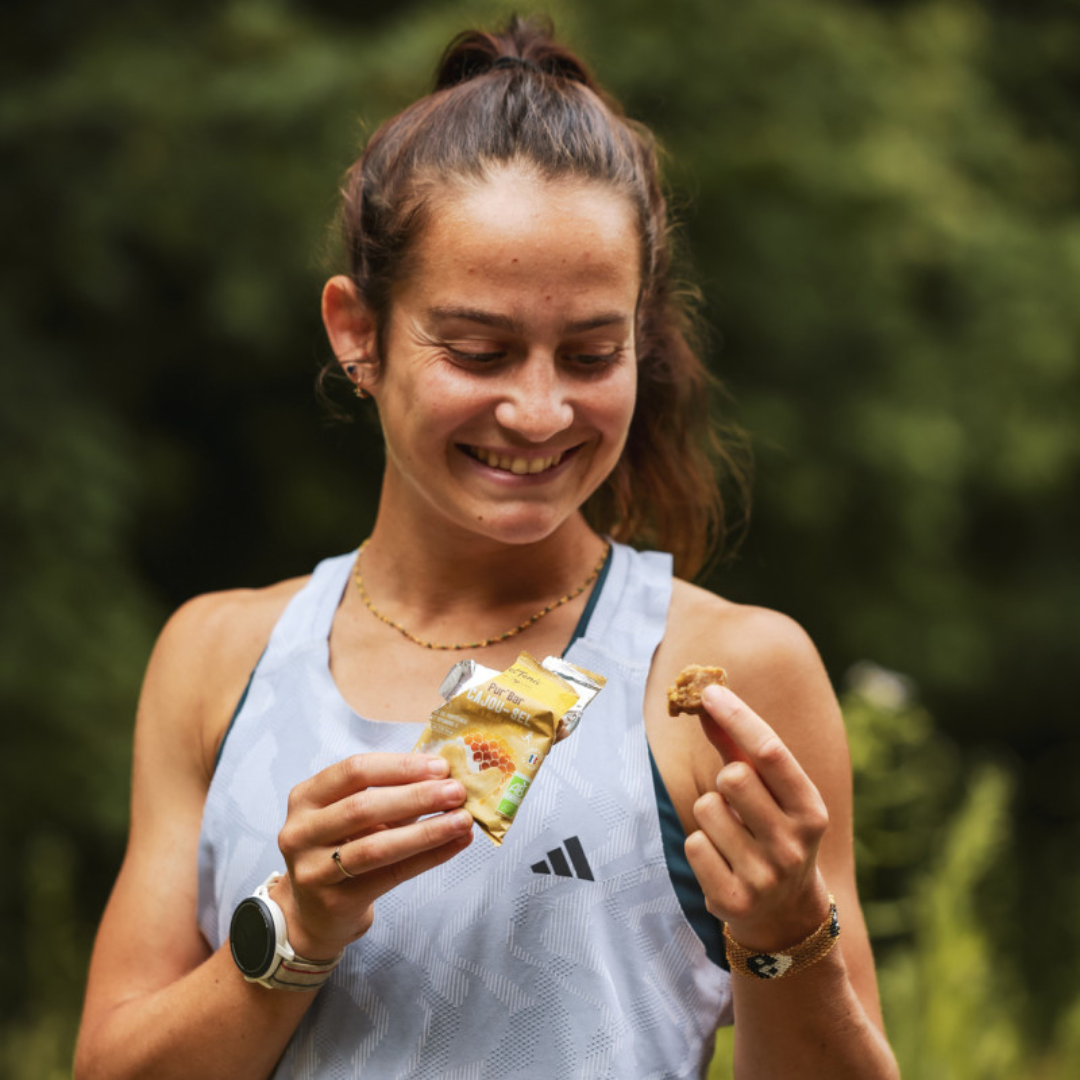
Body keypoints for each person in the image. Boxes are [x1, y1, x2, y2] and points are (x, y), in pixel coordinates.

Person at [75, 16, 899, 1080]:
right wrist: (295, 929)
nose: (540, 411)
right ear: (357, 331)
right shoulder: (217, 657)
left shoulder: (728, 675)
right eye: (478, 350)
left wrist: (785, 935)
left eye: (591, 354)